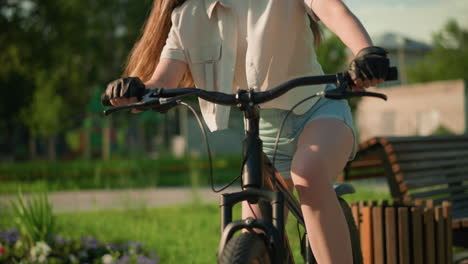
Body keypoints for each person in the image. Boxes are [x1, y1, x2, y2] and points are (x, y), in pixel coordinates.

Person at [104, 0, 389, 262]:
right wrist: (134, 91)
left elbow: (333, 10)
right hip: (263, 128)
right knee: (253, 225)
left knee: (308, 172)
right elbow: (163, 78)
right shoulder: (187, 16)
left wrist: (365, 51)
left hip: (318, 110)